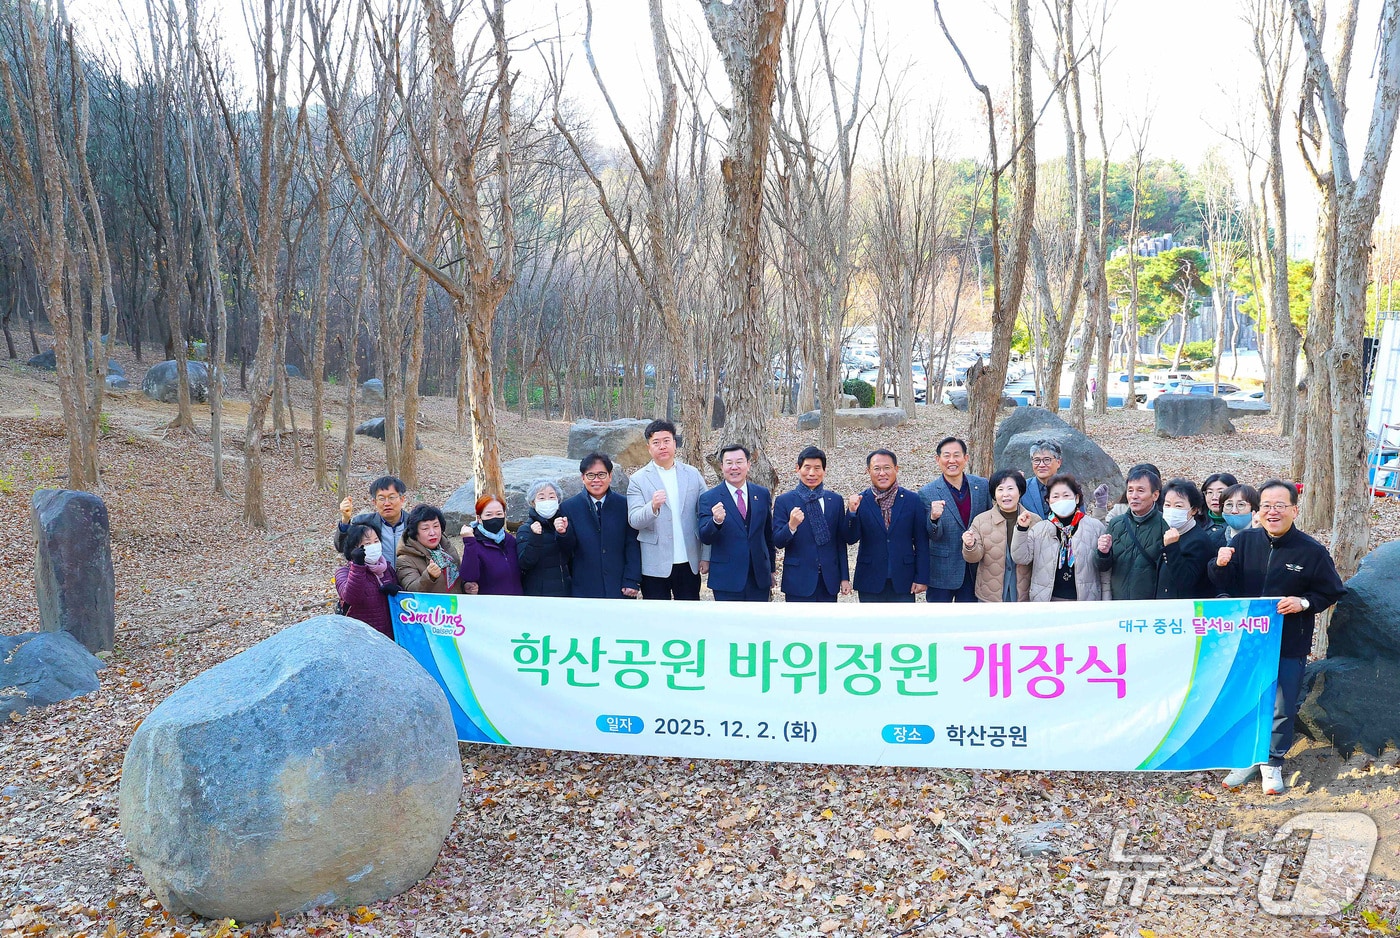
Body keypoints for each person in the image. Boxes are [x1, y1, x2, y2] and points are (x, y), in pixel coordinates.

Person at [1209, 479, 1346, 795]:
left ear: (1294, 510)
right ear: (1258, 512)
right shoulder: (1245, 541)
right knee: (1246, 699)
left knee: (1281, 704)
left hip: (1289, 642)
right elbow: (1223, 583)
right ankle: (1246, 758)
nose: (1272, 512)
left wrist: (1304, 603)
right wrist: (1219, 564)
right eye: (1266, 506)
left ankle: (1272, 765)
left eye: (1280, 506)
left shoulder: (1311, 551)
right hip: (1247, 642)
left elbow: (1331, 590)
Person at [627, 420, 705, 600]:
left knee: (689, 615)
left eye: (666, 441)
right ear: (648, 447)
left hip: (689, 560)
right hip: (654, 564)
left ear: (675, 443)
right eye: (656, 442)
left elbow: (705, 516)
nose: (662, 446)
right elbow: (634, 520)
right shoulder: (638, 479)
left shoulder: (692, 474)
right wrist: (652, 507)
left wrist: (706, 555)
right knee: (657, 618)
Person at [1010, 474, 1112, 601]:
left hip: (1085, 603)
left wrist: (1107, 602)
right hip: (1047, 601)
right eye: (1055, 496)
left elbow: (1105, 572)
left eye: (1066, 495)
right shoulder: (1039, 529)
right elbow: (1020, 557)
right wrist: (1021, 529)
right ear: (1048, 501)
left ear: (1076, 498)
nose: (1061, 500)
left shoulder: (1095, 527)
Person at [846, 450, 929, 603]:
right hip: (869, 578)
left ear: (896, 469)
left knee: (902, 626)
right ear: (868, 471)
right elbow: (850, 538)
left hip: (903, 578)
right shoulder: (860, 500)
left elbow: (921, 542)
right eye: (876, 468)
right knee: (871, 626)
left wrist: (921, 577)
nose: (882, 473)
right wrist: (851, 512)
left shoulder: (912, 500)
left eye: (887, 468)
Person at [697, 444, 776, 602]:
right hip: (727, 578)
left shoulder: (761, 494)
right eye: (729, 463)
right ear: (721, 466)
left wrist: (771, 569)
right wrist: (716, 522)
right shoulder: (709, 498)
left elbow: (768, 535)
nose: (734, 467)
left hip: (758, 576)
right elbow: (704, 536)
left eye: (739, 462)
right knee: (728, 626)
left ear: (748, 464)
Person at [559, 453, 642, 599]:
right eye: (590, 475)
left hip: (619, 586)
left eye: (601, 474)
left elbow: (633, 545)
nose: (596, 480)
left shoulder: (625, 505)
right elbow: (566, 550)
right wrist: (562, 533)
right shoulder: (569, 507)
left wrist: (631, 580)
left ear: (610, 476)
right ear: (582, 478)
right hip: (583, 586)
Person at [773, 445, 851, 602]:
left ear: (824, 470)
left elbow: (839, 542)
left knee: (827, 625)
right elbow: (778, 541)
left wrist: (844, 577)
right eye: (807, 467)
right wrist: (791, 526)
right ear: (798, 468)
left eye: (817, 468)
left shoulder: (835, 500)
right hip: (798, 579)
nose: (812, 473)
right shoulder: (785, 501)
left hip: (828, 579)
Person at [920, 436, 990, 602]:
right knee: (939, 623)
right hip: (942, 570)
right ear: (938, 459)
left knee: (969, 623)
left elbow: (989, 520)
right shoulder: (927, 492)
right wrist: (934, 518)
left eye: (957, 455)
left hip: (975, 568)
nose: (952, 460)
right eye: (946, 455)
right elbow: (932, 535)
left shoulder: (981, 486)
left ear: (965, 458)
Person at [960, 468, 1034, 602]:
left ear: (1020, 491)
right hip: (990, 594)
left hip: (1024, 594)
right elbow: (973, 558)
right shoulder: (981, 520)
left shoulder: (1034, 521)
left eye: (1010, 488)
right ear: (994, 494)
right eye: (1000, 489)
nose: (1005, 494)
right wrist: (970, 545)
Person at [1095, 466, 1168, 600]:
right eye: (1130, 490)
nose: (1134, 496)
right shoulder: (1116, 523)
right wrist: (1102, 553)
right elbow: (1103, 567)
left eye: (1140, 491)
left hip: (1153, 604)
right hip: (1119, 602)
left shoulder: (1166, 525)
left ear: (1155, 495)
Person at [1156, 478, 1220, 600]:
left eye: (1178, 506)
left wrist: (1171, 547)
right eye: (1168, 505)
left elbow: (1186, 581)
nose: (1171, 510)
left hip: (1186, 611)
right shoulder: (1169, 532)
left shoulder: (1198, 540)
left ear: (1194, 510)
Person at [334, 523, 400, 638]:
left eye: (376, 541)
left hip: (391, 637)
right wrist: (358, 566)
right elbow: (351, 597)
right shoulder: (343, 573)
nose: (374, 546)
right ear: (354, 548)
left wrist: (397, 591)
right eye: (368, 543)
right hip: (363, 638)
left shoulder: (387, 569)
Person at [516, 480, 573, 597]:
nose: (547, 501)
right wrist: (535, 537)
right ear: (533, 502)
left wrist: (563, 534)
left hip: (565, 590)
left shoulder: (564, 524)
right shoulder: (526, 529)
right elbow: (525, 563)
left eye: (552, 497)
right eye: (541, 498)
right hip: (538, 594)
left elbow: (572, 554)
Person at [459, 494, 523, 595]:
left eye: (499, 514)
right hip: (489, 605)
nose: (494, 518)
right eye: (489, 515)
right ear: (479, 518)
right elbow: (469, 576)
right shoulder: (474, 543)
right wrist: (469, 542)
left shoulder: (510, 540)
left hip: (516, 603)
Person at [396, 503, 464, 594]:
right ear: (415, 532)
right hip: (432, 607)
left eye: (436, 526)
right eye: (425, 529)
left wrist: (466, 586)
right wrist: (429, 576)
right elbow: (411, 589)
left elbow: (458, 579)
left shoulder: (447, 548)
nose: (432, 533)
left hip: (455, 605)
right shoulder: (405, 559)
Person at [335, 476, 408, 559]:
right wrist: (345, 520)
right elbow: (341, 547)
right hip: (374, 572)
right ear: (375, 502)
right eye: (381, 498)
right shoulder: (363, 523)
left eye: (391, 497)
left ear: (402, 499)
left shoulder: (414, 523)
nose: (387, 503)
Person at [1020, 440, 1062, 519]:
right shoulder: (1023, 488)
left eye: (1047, 460)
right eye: (1036, 460)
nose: (1041, 465)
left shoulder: (1069, 487)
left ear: (1058, 462)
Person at [1201, 472, 1239, 540]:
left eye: (1221, 492)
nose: (1214, 497)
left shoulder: (1242, 524)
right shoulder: (1196, 521)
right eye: (1210, 492)